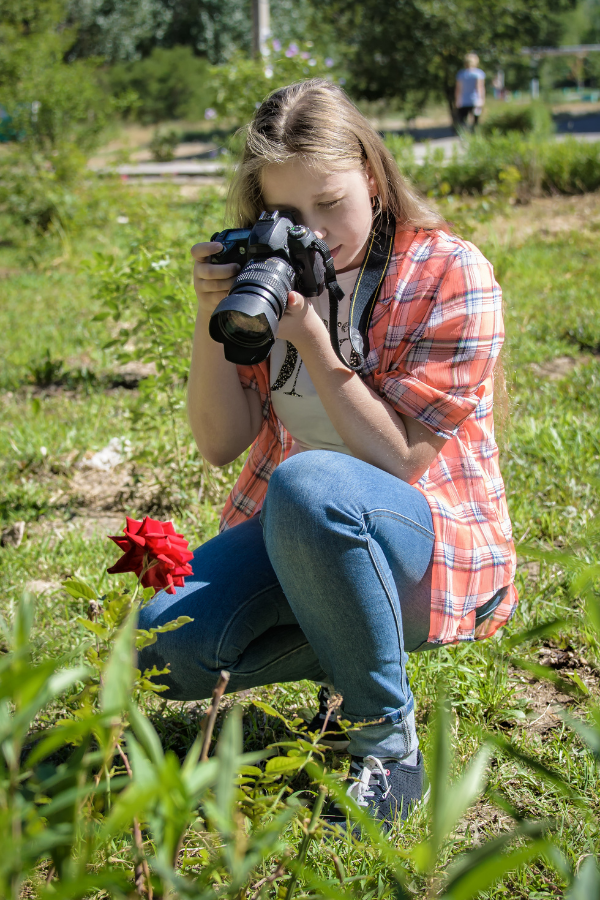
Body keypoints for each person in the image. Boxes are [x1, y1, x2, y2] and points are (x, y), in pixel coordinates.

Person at [138, 79, 517, 832]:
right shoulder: (268, 273)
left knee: (310, 483)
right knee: (161, 645)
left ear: (373, 179)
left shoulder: (448, 271)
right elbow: (219, 442)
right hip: (303, 539)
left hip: (427, 542)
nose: (311, 232)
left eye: (330, 202)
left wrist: (313, 343)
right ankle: (352, 651)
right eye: (284, 213)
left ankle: (384, 740)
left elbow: (404, 459)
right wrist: (212, 313)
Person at [455, 53, 486, 131]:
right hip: (475, 101)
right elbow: (480, 88)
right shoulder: (479, 73)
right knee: (475, 122)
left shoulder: (461, 74)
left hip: (464, 101)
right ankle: (473, 135)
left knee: (462, 121)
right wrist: (482, 99)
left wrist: (457, 100)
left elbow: (458, 89)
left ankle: (464, 136)